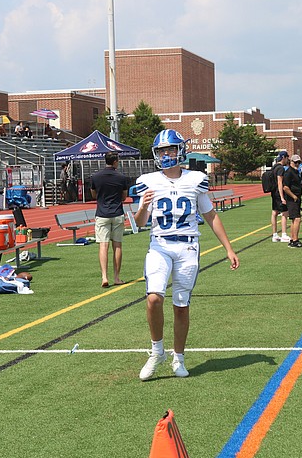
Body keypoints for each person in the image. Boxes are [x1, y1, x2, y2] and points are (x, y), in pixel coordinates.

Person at [133, 129, 239, 380]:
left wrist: (229, 248)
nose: (166, 154)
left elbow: (210, 215)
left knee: (181, 306)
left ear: (180, 150)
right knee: (153, 299)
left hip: (188, 246)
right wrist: (144, 206)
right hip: (159, 244)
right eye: (162, 151)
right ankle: (156, 351)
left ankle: (178, 357)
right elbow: (138, 223)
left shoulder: (196, 179)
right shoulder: (148, 180)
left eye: (170, 149)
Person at [90, 152, 130, 287]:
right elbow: (124, 197)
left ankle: (104, 277)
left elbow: (94, 194)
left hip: (102, 213)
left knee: (103, 245)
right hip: (117, 213)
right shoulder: (121, 177)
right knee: (117, 245)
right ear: (115, 162)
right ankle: (117, 277)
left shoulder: (95, 177)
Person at [282, 154, 302, 247]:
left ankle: (293, 239)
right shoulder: (289, 172)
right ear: (291, 162)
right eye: (295, 162)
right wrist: (294, 196)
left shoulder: (296, 171)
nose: (297, 164)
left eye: (299, 162)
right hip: (292, 199)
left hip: (297, 197)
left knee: (294, 219)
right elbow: (285, 187)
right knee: (297, 219)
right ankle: (295, 240)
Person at [269, 151, 289, 243]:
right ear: (283, 157)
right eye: (287, 157)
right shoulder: (280, 168)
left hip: (273, 192)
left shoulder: (274, 167)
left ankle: (275, 234)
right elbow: (279, 182)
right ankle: (284, 234)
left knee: (274, 212)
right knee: (285, 213)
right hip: (278, 193)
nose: (287, 159)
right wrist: (282, 197)